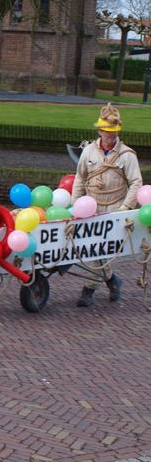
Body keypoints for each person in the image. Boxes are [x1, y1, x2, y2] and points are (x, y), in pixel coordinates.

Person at [71, 102, 142, 308]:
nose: (111, 136)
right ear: (99, 131)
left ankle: (89, 289)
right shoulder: (88, 152)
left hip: (115, 208)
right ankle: (112, 280)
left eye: (114, 132)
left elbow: (136, 182)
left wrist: (125, 208)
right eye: (107, 132)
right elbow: (79, 178)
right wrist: (76, 205)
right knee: (92, 249)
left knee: (100, 250)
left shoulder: (127, 155)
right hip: (91, 206)